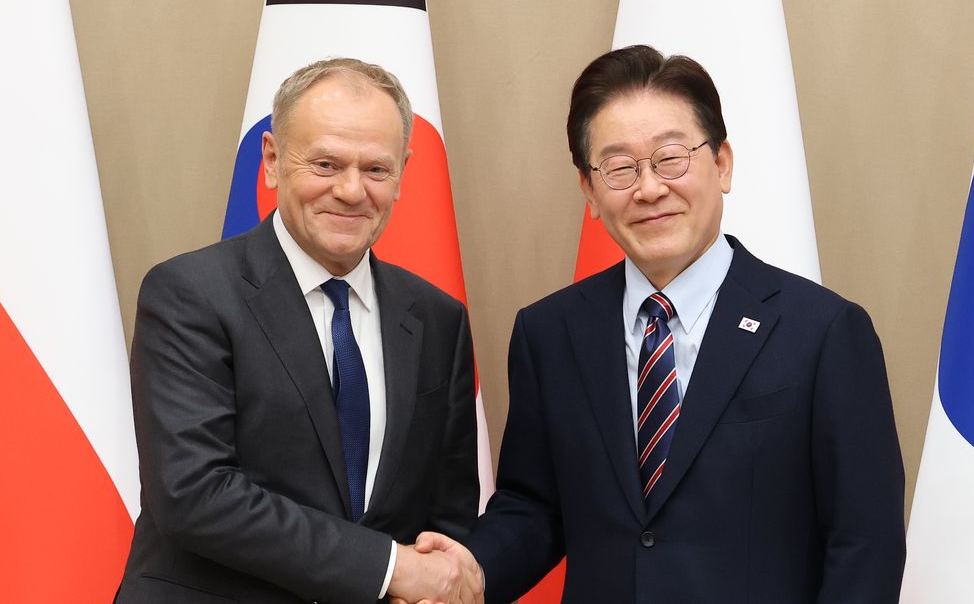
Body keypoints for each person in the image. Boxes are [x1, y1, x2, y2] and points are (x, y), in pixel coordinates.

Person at [414, 45, 906, 603]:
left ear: (721, 164)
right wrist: (474, 572)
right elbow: (535, 506)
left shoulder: (823, 331)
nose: (649, 189)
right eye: (620, 168)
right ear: (590, 191)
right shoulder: (550, 333)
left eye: (671, 158)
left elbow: (866, 544)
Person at [116, 58, 482, 604]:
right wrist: (389, 569)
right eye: (326, 164)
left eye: (377, 169)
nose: (353, 190)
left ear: (403, 172)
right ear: (271, 161)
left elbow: (446, 516)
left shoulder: (436, 318)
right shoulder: (189, 293)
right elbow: (194, 494)